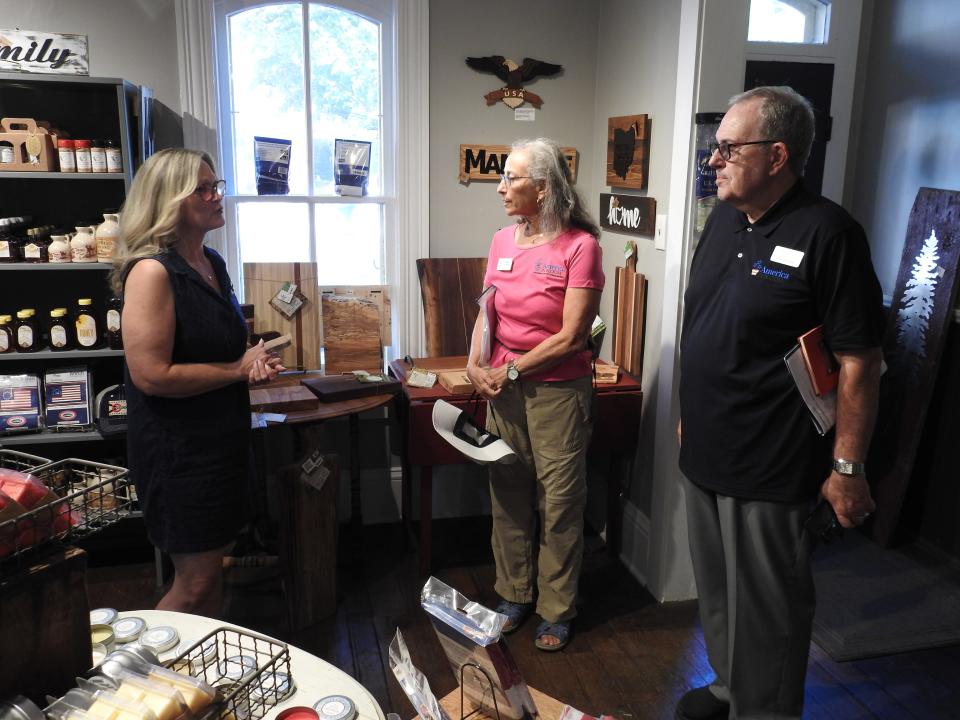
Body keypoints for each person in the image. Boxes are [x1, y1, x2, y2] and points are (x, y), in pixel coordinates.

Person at [676, 86, 885, 719]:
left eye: (728, 148)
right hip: (706, 451)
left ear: (777, 155)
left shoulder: (829, 232)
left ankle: (763, 710)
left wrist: (847, 469)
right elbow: (710, 328)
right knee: (716, 595)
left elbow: (860, 361)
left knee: (770, 611)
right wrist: (689, 417)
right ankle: (730, 689)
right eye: (716, 149)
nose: (713, 160)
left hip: (772, 463)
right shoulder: (721, 224)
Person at [111, 148, 284, 618]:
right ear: (169, 202)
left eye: (216, 186)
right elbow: (151, 374)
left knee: (211, 572)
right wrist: (234, 370)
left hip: (221, 443)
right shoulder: (152, 272)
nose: (216, 196)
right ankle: (139, 679)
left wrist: (251, 363)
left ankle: (198, 678)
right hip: (180, 453)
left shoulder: (211, 262)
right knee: (194, 580)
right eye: (202, 189)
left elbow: (222, 347)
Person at [465, 137, 604, 652]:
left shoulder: (579, 247)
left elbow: (572, 335)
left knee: (561, 502)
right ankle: (514, 594)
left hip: (557, 394)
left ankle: (556, 608)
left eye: (512, 178)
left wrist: (513, 370)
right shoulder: (502, 240)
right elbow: (488, 311)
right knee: (508, 494)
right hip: (503, 390)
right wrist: (474, 361)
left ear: (543, 188)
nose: (501, 187)